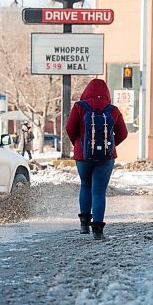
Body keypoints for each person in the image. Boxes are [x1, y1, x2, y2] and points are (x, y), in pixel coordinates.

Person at [66, 79, 128, 240]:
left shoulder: (79, 107)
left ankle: (84, 225)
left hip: (83, 157)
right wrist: (111, 145)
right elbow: (123, 133)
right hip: (106, 158)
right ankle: (98, 231)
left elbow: (69, 128)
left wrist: (79, 144)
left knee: (86, 186)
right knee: (99, 191)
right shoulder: (113, 110)